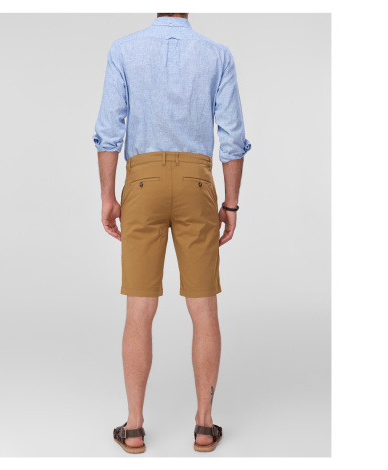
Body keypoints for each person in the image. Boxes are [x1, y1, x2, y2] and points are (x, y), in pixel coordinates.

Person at [93, 13, 251, 454]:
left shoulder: (124, 50)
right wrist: (231, 203)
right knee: (203, 307)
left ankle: (134, 428)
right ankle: (204, 426)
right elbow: (232, 135)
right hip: (197, 181)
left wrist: (107, 196)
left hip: (141, 182)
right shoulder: (217, 54)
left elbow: (109, 131)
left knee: (139, 308)